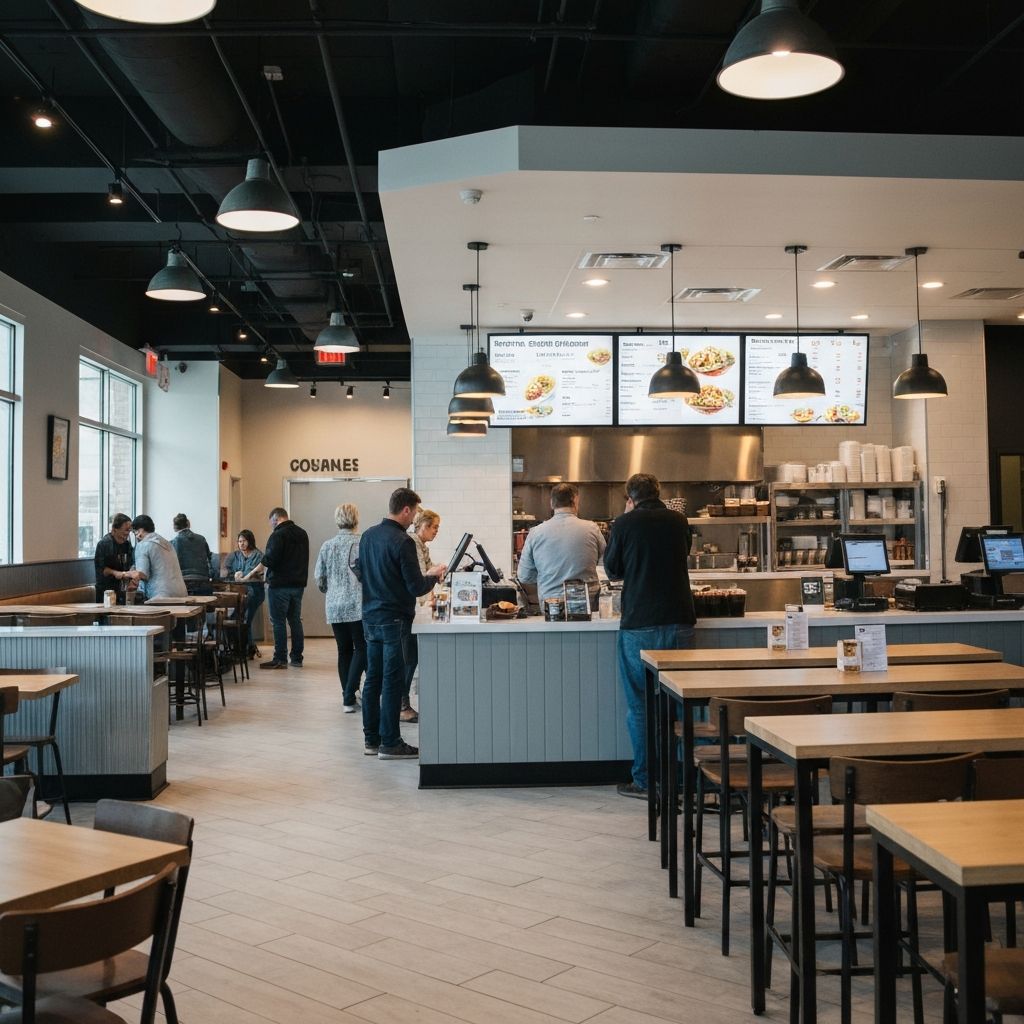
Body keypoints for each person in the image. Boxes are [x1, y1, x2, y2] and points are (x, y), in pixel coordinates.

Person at [603, 472, 696, 800]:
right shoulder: (678, 521)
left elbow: (612, 569)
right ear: (659, 492)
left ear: (631, 497)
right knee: (683, 703)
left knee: (641, 705)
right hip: (680, 621)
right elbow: (683, 554)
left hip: (640, 622)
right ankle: (685, 778)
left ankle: (645, 780)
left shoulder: (624, 524)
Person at [358, 487, 447, 759]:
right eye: (415, 513)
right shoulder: (403, 541)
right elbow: (416, 586)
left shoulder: (368, 536)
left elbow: (361, 572)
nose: (414, 520)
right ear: (406, 509)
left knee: (373, 678)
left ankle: (372, 740)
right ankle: (391, 743)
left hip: (370, 617)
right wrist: (434, 576)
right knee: (392, 681)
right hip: (394, 619)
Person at [517, 482, 606, 605]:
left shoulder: (536, 533)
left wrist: (547, 579)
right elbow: (606, 564)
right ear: (575, 500)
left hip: (551, 603)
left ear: (552, 503)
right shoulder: (592, 528)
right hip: (587, 602)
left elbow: (524, 576)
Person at [314, 503, 365, 712]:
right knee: (362, 648)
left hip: (334, 605)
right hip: (357, 603)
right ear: (356, 519)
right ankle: (348, 695)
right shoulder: (362, 543)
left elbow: (319, 578)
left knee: (343, 650)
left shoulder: (327, 545)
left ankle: (349, 698)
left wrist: (330, 589)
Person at [400, 507, 441, 723]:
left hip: (414, 607)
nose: (436, 532)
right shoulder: (413, 543)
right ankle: (402, 705)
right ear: (423, 526)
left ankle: (403, 702)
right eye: (434, 527)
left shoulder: (421, 545)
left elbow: (428, 569)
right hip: (409, 608)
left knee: (411, 657)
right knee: (409, 658)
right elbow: (419, 575)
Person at [256, 506, 309, 670]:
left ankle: (280, 658)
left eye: (271, 522)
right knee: (295, 620)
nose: (271, 526)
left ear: (275, 519)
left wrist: (251, 573)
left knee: (278, 622)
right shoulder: (302, 533)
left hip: (279, 586)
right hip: (298, 585)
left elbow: (269, 560)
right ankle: (297, 658)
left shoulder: (277, 535)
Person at [127, 514, 188, 600]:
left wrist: (126, 574)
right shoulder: (167, 543)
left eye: (134, 532)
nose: (135, 536)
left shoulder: (143, 544)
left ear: (140, 531)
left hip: (161, 596)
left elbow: (142, 574)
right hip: (181, 593)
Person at [224, 529, 265, 656]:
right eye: (239, 541)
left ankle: (246, 649)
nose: (241, 544)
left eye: (244, 541)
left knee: (245, 618)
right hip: (239, 593)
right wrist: (233, 575)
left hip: (255, 592)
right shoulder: (234, 555)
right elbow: (225, 573)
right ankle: (248, 647)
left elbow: (262, 575)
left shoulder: (258, 555)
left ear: (250, 541)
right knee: (237, 618)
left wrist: (250, 575)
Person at [93, 512, 134, 603]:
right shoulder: (104, 544)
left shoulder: (127, 545)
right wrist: (115, 573)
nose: (127, 533)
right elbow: (101, 569)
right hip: (106, 589)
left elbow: (131, 562)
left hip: (122, 588)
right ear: (114, 530)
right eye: (126, 530)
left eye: (129, 531)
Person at [169, 513, 212, 592]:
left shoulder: (173, 542)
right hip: (203, 581)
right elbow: (210, 558)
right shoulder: (201, 538)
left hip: (184, 582)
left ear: (174, 527)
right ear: (188, 523)